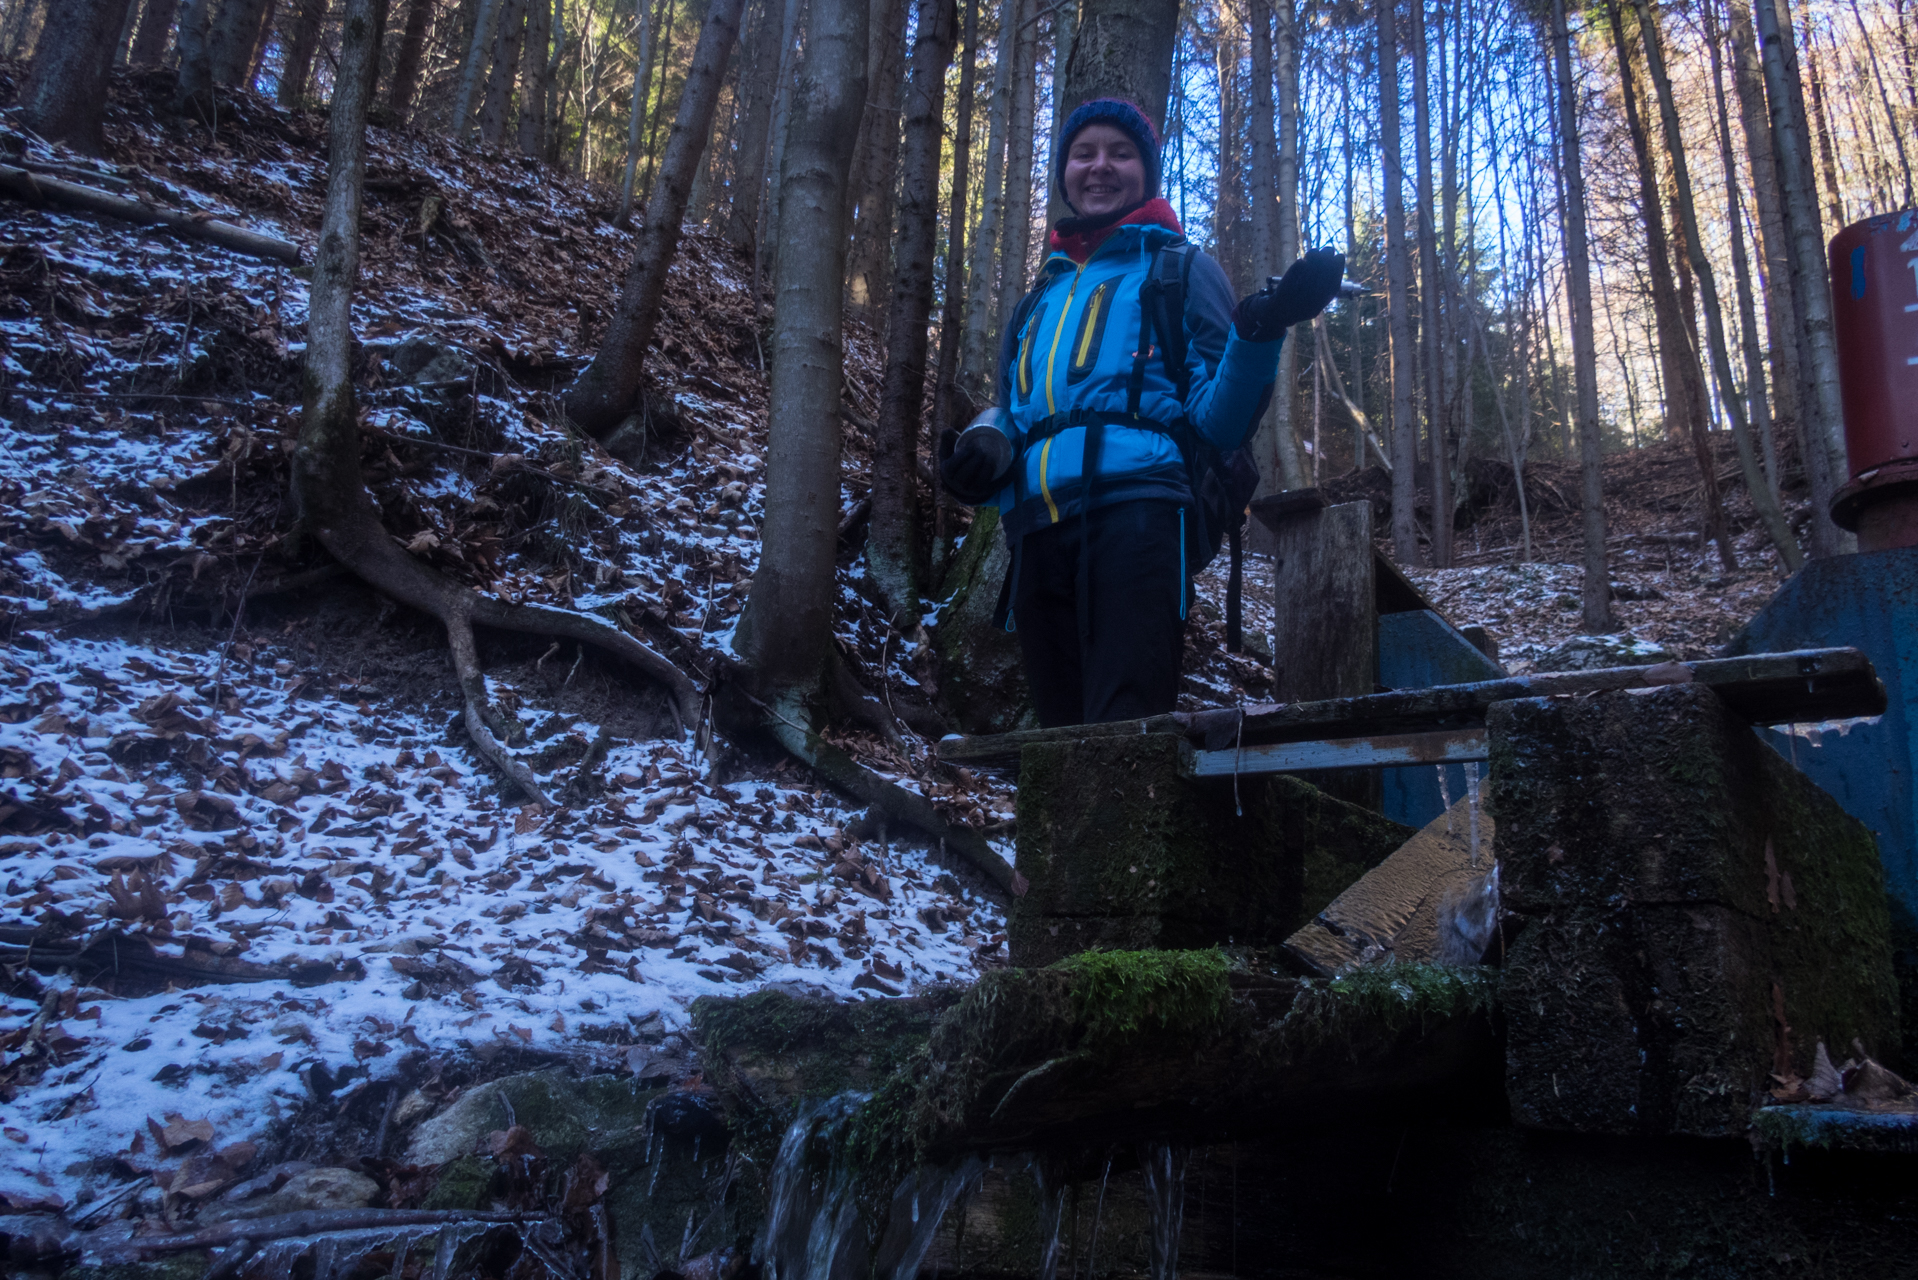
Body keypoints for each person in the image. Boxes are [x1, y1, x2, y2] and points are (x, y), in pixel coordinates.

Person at [938, 97, 1345, 728]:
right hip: (1036, 533)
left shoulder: (1180, 269)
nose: (1100, 167)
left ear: (1147, 172)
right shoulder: (1039, 296)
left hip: (1141, 519)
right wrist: (982, 464)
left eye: (1120, 153)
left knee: (1122, 730)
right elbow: (1018, 419)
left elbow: (1217, 424)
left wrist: (1259, 328)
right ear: (1065, 172)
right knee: (1057, 736)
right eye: (1084, 153)